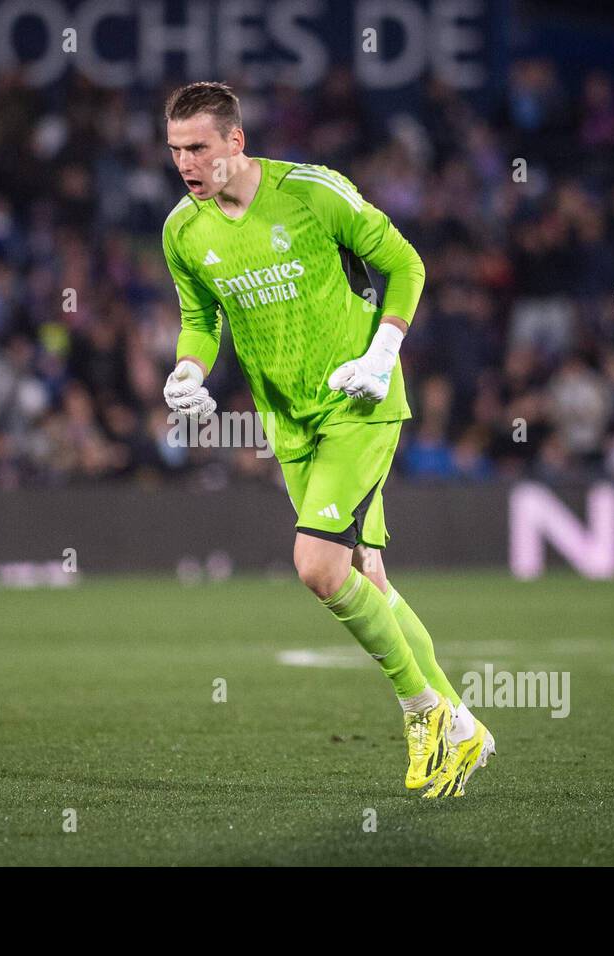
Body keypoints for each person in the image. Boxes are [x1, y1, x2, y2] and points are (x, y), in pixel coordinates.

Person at [160, 82, 493, 799]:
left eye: (198, 147)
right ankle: (463, 725)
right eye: (175, 149)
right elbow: (201, 318)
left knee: (317, 566)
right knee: (364, 576)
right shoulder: (182, 231)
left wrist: (384, 354)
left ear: (235, 143)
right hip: (288, 423)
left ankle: (424, 712)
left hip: (358, 404)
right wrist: (188, 367)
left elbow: (407, 264)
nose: (185, 163)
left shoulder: (313, 193)